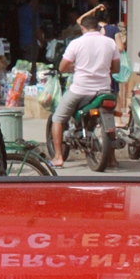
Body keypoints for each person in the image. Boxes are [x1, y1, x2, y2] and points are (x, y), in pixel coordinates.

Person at [50, 15, 120, 167]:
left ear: (82, 28)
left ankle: (58, 157)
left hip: (80, 90)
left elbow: (62, 67)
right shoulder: (110, 43)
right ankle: (112, 159)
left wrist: (74, 68)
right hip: (104, 90)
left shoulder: (77, 43)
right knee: (110, 119)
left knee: (57, 118)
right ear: (98, 27)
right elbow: (116, 68)